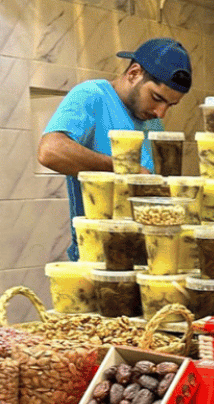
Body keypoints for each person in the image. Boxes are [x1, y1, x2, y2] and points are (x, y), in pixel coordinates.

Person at [38, 38, 192, 260]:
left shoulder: (153, 121)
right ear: (134, 73)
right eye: (157, 98)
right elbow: (50, 151)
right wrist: (125, 169)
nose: (161, 112)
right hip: (99, 258)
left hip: (144, 257)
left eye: (170, 105)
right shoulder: (92, 95)